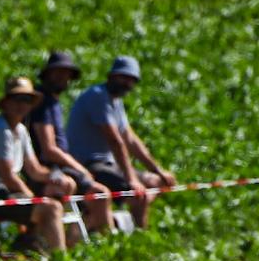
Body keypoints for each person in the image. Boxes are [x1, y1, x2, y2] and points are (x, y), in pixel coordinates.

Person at [64, 55, 176, 229]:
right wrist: (132, 179)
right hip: (90, 163)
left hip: (110, 163)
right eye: (123, 77)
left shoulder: (116, 101)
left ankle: (120, 221)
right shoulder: (97, 96)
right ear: (112, 75)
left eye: (131, 80)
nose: (126, 83)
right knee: (140, 194)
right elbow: (115, 140)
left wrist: (158, 171)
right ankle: (136, 233)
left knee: (156, 183)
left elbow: (130, 140)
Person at [0, 76, 66, 254]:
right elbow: (8, 177)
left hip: (7, 194)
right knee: (51, 209)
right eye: (16, 99)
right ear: (6, 103)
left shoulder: (20, 130)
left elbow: (34, 170)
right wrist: (34, 198)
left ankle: (29, 243)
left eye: (26, 100)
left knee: (54, 194)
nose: (21, 104)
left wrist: (56, 178)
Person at [26, 50, 112, 234]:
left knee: (98, 195)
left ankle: (87, 239)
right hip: (49, 169)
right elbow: (49, 149)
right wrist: (80, 169)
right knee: (99, 194)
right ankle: (104, 243)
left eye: (66, 73)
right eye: (58, 72)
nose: (62, 78)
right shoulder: (44, 103)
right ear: (47, 74)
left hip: (60, 167)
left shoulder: (53, 103)